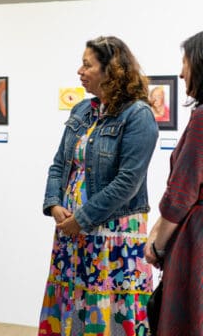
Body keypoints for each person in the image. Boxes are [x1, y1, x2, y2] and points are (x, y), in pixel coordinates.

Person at [38, 36, 159, 336]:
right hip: (72, 233)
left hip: (113, 237)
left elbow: (127, 183)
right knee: (74, 306)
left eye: (87, 64)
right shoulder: (81, 110)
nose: (79, 70)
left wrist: (83, 218)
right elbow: (58, 165)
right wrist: (54, 205)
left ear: (111, 71)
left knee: (110, 312)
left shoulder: (138, 115)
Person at [144, 31, 203, 335]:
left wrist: (157, 243)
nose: (181, 72)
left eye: (185, 62)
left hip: (196, 243)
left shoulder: (201, 119)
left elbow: (182, 194)